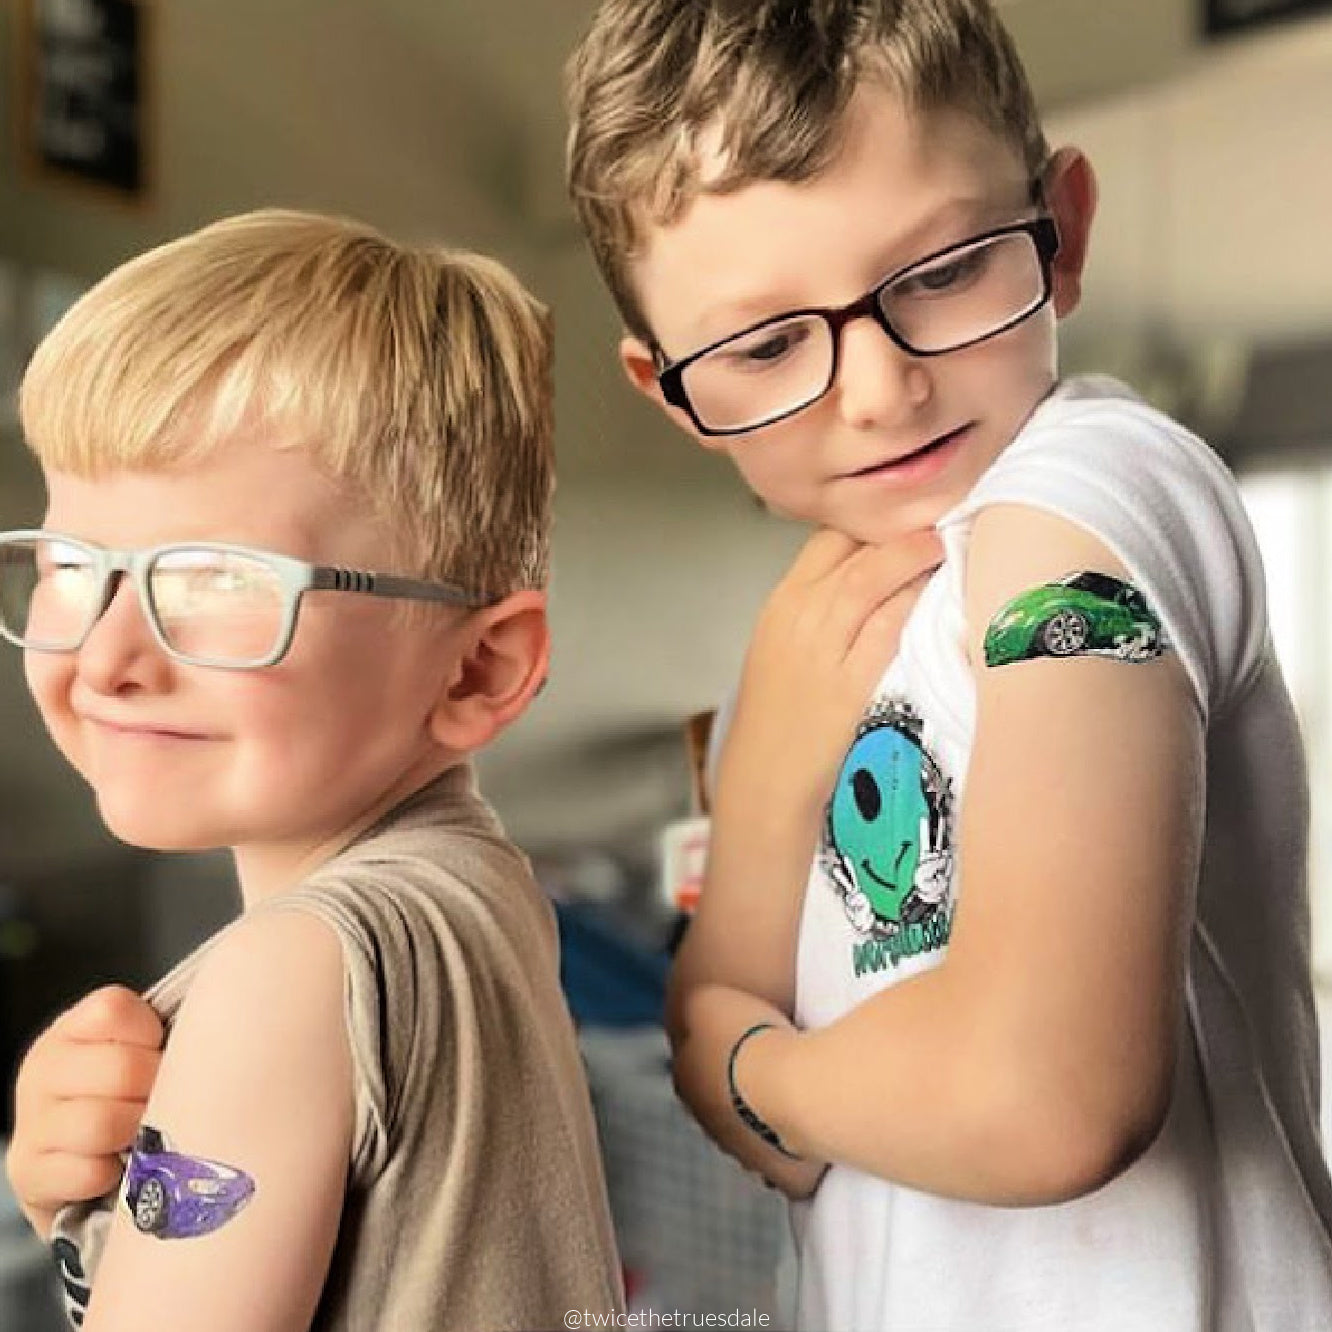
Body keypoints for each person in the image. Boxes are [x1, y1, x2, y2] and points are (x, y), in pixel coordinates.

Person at [564, 1, 1332, 1327]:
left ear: (1063, 231)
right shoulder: (813, 645)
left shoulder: (1089, 496)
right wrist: (756, 804)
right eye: (762, 346)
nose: (878, 391)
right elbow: (731, 1068)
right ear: (674, 390)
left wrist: (761, 1068)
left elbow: (1042, 1098)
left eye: (942, 272)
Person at [0, 209, 624, 1331]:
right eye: (71, 563)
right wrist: (73, 1207)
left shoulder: (285, 973)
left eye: (216, 578)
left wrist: (71, 1227)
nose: (107, 655)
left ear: (479, 670)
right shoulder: (482, 889)